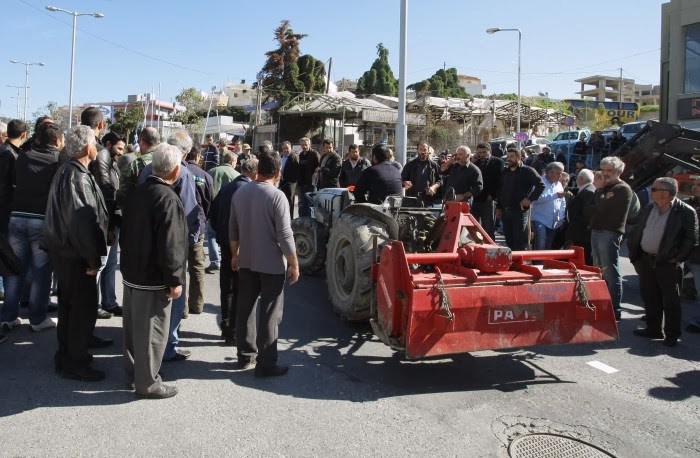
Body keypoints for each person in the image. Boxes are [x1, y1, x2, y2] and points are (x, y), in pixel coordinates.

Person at [121, 143, 187, 399]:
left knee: (132, 330)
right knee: (152, 333)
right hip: (152, 277)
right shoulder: (168, 198)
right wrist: (175, 279)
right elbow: (171, 244)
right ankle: (147, 383)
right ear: (175, 170)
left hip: (133, 272)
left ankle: (132, 373)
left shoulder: (138, 192)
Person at [44, 125, 109, 382]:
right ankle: (75, 362)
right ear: (86, 147)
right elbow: (82, 222)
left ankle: (68, 355)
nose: (96, 147)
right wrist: (92, 259)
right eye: (94, 142)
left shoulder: (71, 171)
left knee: (70, 308)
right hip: (75, 255)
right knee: (81, 309)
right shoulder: (76, 175)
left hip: (66, 252)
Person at [229, 148, 299, 377]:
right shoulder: (277, 196)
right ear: (278, 172)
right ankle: (266, 363)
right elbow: (285, 235)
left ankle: (244, 354)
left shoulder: (240, 193)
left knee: (245, 308)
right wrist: (294, 263)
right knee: (270, 312)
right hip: (271, 264)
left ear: (258, 170)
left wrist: (235, 254)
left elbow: (233, 229)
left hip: (246, 259)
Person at [138, 131, 202, 362]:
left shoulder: (148, 169)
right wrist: (193, 238)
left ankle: (149, 342)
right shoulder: (182, 173)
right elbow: (188, 213)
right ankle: (167, 346)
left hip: (145, 241)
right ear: (184, 152)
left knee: (150, 294)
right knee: (172, 292)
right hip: (172, 244)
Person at [0, 123, 63, 337]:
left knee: (15, 270)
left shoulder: (23, 156)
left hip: (16, 218)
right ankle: (37, 318)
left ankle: (8, 316)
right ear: (57, 141)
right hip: (41, 220)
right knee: (41, 272)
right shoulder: (58, 161)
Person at [628, 177, 698, 347]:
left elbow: (691, 239)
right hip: (646, 260)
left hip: (668, 263)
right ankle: (653, 329)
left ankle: (672, 334)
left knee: (671, 300)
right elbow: (638, 230)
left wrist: (678, 258)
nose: (650, 192)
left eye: (654, 189)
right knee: (650, 296)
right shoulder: (649, 208)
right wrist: (636, 254)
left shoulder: (685, 211)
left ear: (665, 193)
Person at [210, 158, 258, 345]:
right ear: (254, 173)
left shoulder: (227, 188)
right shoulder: (249, 191)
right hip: (243, 247)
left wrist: (221, 236)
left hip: (225, 244)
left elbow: (213, 216)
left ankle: (226, 327)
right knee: (241, 289)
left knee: (227, 288)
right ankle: (235, 330)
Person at [81, 108, 122, 318]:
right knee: (99, 264)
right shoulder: (99, 153)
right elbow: (105, 189)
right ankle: (94, 305)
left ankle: (108, 301)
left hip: (94, 218)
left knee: (108, 263)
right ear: (100, 125)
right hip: (100, 220)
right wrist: (112, 222)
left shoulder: (98, 154)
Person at [586, 156, 634, 321]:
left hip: (610, 232)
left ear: (618, 172)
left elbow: (603, 208)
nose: (605, 174)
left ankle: (615, 309)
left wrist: (600, 193)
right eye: (603, 170)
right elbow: (591, 209)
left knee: (610, 272)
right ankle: (601, 304)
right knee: (598, 270)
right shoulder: (605, 189)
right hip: (597, 230)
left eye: (609, 171)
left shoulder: (622, 188)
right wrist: (602, 197)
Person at [184, 143, 214, 315]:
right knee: (197, 266)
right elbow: (210, 202)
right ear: (197, 157)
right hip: (198, 226)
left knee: (180, 265)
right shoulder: (205, 176)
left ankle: (182, 306)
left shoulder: (178, 171)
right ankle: (197, 304)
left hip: (180, 226)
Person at [495, 148, 545, 251]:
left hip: (519, 211)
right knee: (509, 240)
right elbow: (500, 190)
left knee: (519, 241)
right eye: (508, 156)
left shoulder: (528, 171)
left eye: (512, 156)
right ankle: (511, 264)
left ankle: (519, 265)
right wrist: (498, 207)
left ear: (519, 157)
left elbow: (541, 185)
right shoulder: (505, 171)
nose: (509, 159)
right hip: (505, 211)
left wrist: (530, 199)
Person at [205, 152, 239, 274]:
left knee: (211, 234)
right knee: (230, 234)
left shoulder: (211, 171)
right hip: (230, 210)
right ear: (232, 161)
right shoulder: (236, 175)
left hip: (214, 209)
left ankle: (215, 261)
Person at [116, 127, 160, 210]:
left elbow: (123, 194)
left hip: (140, 214)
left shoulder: (136, 164)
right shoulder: (168, 160)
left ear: (142, 141)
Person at [529, 162, 565, 250]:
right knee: (541, 240)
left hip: (554, 221)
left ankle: (543, 262)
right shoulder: (539, 182)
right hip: (539, 218)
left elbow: (562, 202)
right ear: (549, 172)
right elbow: (536, 199)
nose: (560, 176)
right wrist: (555, 195)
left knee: (548, 244)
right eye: (558, 173)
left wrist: (562, 217)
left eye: (561, 173)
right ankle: (538, 262)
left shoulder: (559, 184)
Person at [472, 143, 502, 240]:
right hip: (476, 197)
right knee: (473, 226)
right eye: (480, 152)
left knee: (488, 226)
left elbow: (499, 181)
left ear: (490, 151)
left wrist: (492, 195)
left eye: (484, 152)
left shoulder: (497, 162)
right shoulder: (475, 163)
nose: (482, 154)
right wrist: (472, 162)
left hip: (489, 198)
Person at [565, 169, 596, 265]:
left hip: (582, 233)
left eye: (577, 178)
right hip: (579, 232)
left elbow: (587, 214)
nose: (576, 180)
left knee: (584, 258)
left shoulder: (589, 192)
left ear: (581, 179)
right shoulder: (586, 190)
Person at [402, 141, 442, 207]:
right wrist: (405, 183)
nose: (423, 152)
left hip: (428, 200)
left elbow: (440, 181)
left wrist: (433, 187)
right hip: (412, 200)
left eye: (425, 149)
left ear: (428, 150)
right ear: (417, 150)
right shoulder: (410, 165)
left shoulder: (434, 165)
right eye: (420, 149)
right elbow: (401, 179)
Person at [296, 137, 320, 217]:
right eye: (302, 145)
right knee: (302, 204)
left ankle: (310, 223)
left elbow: (318, 168)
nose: (304, 147)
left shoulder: (314, 154)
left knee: (311, 204)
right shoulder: (301, 155)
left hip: (311, 184)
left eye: (306, 145)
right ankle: (302, 221)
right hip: (302, 184)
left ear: (309, 144)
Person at [279, 141, 300, 213]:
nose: (285, 150)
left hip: (290, 183)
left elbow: (297, 170)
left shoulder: (294, 157)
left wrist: (292, 181)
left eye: (287, 148)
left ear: (290, 147)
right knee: (283, 202)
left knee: (290, 202)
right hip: (282, 182)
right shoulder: (282, 157)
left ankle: (289, 220)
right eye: (284, 148)